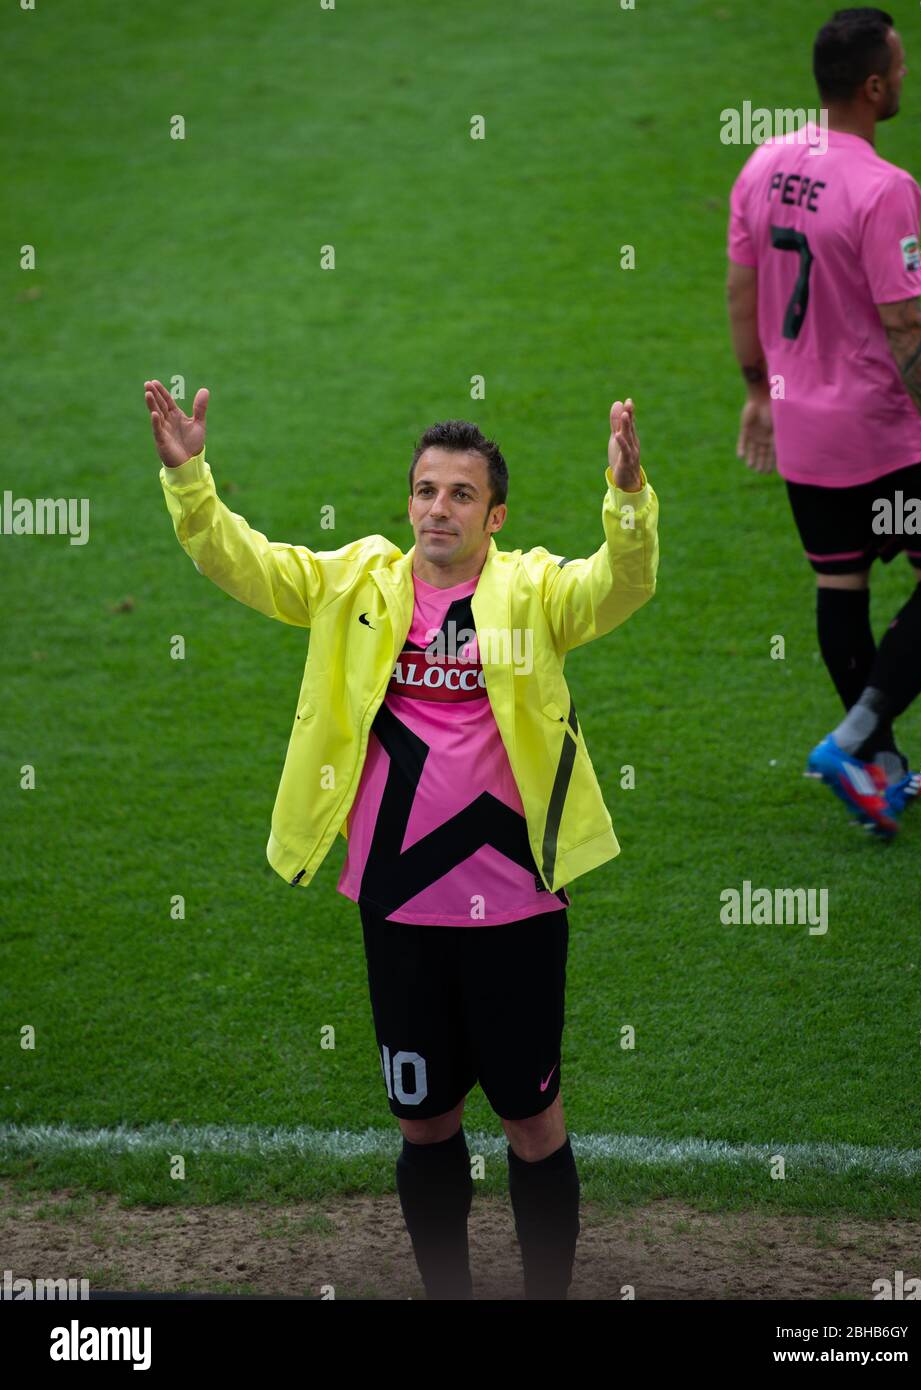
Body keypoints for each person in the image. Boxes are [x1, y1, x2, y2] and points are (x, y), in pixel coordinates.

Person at [145, 379, 659, 1298]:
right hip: (398, 903)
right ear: (407, 502)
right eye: (426, 490)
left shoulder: (535, 593)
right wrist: (190, 479)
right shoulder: (357, 585)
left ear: (494, 515)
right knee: (423, 1124)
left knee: (532, 1122)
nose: (439, 508)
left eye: (462, 494)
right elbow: (251, 566)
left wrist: (626, 499)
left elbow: (621, 584)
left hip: (516, 905)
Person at [725, 7, 921, 836]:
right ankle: (857, 737)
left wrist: (758, 391)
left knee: (841, 586)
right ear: (872, 85)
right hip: (882, 432)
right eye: (899, 67)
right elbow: (905, 327)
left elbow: (741, 289)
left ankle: (880, 770)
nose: (905, 78)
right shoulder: (886, 188)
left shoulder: (764, 162)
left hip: (803, 433)